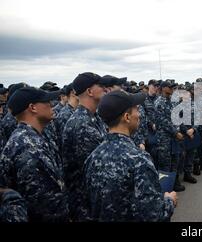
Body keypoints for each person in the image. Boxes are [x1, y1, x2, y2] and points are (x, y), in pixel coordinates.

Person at [83, 90, 177, 222]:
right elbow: (154, 216)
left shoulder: (93, 157)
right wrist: (169, 201)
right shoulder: (139, 159)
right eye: (136, 110)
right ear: (127, 117)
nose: (139, 115)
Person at [0, 87, 69, 222]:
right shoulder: (28, 147)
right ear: (32, 107)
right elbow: (42, 205)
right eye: (47, 101)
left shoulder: (31, 138)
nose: (52, 105)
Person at [62, 72, 108, 221]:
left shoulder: (94, 117)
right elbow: (98, 168)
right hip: (86, 203)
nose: (105, 89)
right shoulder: (82, 124)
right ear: (89, 91)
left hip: (94, 198)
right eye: (101, 86)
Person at [155, 81, 186, 192]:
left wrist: (182, 131)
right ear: (163, 88)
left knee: (175, 161)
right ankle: (164, 189)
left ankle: (174, 184)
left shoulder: (172, 101)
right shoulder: (159, 102)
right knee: (165, 164)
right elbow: (162, 121)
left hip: (175, 138)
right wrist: (175, 132)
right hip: (164, 139)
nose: (172, 89)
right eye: (170, 87)